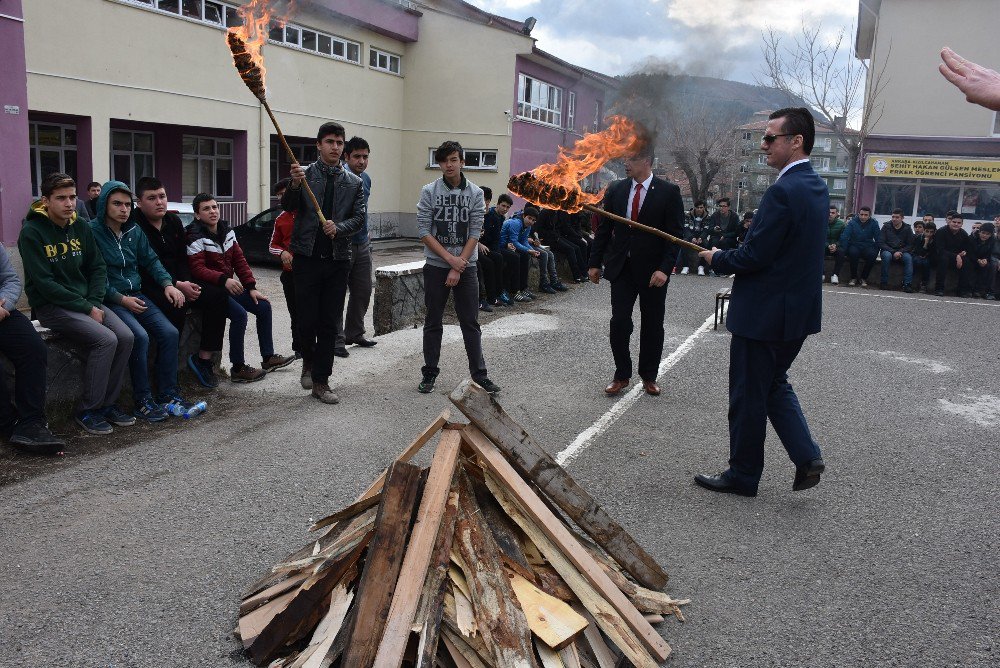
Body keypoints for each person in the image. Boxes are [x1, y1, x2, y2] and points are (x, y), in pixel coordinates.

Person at [694, 107, 827, 497]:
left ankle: (743, 474)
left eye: (771, 138)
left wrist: (716, 258)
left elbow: (755, 256)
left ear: (796, 141)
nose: (764, 146)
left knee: (749, 393)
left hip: (766, 314)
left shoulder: (783, 191)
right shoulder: (815, 186)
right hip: (796, 313)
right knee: (772, 384)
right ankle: (806, 456)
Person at [18, 173, 134, 435]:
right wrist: (87, 307)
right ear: (45, 201)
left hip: (85, 301)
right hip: (52, 306)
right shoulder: (32, 232)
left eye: (72, 197)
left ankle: (108, 404)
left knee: (126, 336)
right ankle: (88, 410)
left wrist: (93, 303)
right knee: (106, 340)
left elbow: (97, 266)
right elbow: (45, 283)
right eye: (61, 198)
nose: (69, 203)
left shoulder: (80, 226)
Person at [90, 181, 200, 422]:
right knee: (139, 337)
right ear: (104, 204)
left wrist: (168, 285)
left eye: (127, 205)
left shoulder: (133, 231)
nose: (123, 209)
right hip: (112, 299)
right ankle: (142, 400)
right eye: (116, 203)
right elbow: (94, 277)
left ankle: (168, 393)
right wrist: (121, 299)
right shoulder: (92, 233)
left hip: (137, 295)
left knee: (170, 333)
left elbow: (151, 261)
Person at [588, 138, 684, 397]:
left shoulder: (668, 192)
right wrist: (595, 263)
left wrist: (665, 268)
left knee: (653, 325)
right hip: (622, 268)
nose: (625, 163)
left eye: (630, 159)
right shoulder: (616, 189)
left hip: (653, 272)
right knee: (619, 322)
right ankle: (621, 374)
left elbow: (675, 236)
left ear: (646, 161)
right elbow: (605, 229)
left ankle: (649, 376)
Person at [283, 122, 366, 403]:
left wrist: (338, 228)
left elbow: (359, 219)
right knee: (306, 319)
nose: (335, 147)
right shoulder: (304, 175)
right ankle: (307, 362)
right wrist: (294, 184)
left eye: (339, 143)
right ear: (318, 145)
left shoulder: (354, 182)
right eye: (330, 141)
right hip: (306, 257)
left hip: (337, 259)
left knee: (330, 321)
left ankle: (322, 380)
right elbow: (288, 207)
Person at [416, 140, 500, 395]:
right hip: (436, 265)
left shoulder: (475, 193)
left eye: (454, 159)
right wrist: (449, 261)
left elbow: (475, 231)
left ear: (462, 162)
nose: (449, 165)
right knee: (433, 321)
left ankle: (480, 375)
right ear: (439, 164)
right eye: (444, 161)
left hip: (466, 267)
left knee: (470, 322)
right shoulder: (429, 191)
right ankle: (429, 373)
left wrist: (458, 264)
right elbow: (423, 231)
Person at [187, 193, 294, 384]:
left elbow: (239, 260)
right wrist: (223, 280)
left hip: (227, 287)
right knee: (239, 315)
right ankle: (238, 367)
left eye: (214, 207)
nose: (212, 211)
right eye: (206, 208)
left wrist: (251, 287)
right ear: (197, 215)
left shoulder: (227, 231)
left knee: (263, 306)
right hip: (212, 291)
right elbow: (197, 269)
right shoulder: (194, 235)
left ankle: (268, 358)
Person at [132, 176, 228, 389]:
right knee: (178, 304)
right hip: (152, 286)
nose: (159, 202)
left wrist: (186, 282)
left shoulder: (173, 222)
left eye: (162, 196)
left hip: (180, 283)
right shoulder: (134, 226)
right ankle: (165, 376)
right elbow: (145, 267)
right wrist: (176, 285)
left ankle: (203, 360)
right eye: (152, 198)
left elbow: (183, 258)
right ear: (139, 202)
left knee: (218, 297)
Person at [0, 244, 65, 454]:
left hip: (1, 311)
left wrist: (6, 303)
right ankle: (8, 423)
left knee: (33, 347)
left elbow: (10, 279)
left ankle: (31, 423)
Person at [335, 136, 377, 353]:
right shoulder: (339, 177)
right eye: (357, 157)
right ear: (346, 157)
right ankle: (337, 340)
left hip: (362, 243)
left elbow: (363, 210)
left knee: (362, 290)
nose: (361, 161)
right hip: (342, 244)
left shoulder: (366, 179)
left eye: (365, 157)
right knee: (337, 293)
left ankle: (355, 332)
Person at [268, 178, 302, 365]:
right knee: (295, 313)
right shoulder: (280, 219)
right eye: (279, 195)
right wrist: (282, 252)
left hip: (310, 273)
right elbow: (272, 245)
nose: (282, 198)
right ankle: (299, 349)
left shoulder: (308, 213)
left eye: (284, 193)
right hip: (289, 274)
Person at [500, 207, 540, 301]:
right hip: (502, 245)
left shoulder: (528, 227)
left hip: (511, 246)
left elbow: (524, 241)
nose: (531, 221)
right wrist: (529, 250)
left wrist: (531, 250)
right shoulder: (516, 223)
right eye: (529, 218)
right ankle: (515, 291)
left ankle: (523, 288)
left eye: (533, 220)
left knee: (525, 255)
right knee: (516, 257)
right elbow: (514, 242)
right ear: (524, 216)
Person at [837, 206, 879, 286]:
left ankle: (864, 278)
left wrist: (876, 249)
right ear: (858, 214)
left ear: (869, 215)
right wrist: (845, 249)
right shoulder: (852, 222)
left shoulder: (874, 223)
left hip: (868, 245)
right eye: (861, 214)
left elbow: (878, 237)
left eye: (866, 215)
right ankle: (853, 277)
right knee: (853, 253)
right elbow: (845, 236)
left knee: (873, 255)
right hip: (854, 244)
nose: (863, 217)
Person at [484, 193, 514, 305]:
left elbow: (497, 238)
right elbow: (487, 237)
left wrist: (506, 245)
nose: (505, 209)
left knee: (515, 257)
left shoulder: (501, 217)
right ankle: (498, 292)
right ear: (497, 204)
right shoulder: (490, 215)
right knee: (499, 259)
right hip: (485, 247)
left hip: (495, 246)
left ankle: (509, 290)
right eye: (503, 206)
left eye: (507, 207)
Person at [933, 213, 971, 297]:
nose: (956, 224)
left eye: (959, 223)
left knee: (967, 261)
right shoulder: (941, 231)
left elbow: (967, 248)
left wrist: (964, 252)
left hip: (956, 258)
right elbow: (940, 250)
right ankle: (939, 289)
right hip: (940, 256)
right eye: (954, 222)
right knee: (944, 259)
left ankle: (962, 290)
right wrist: (956, 256)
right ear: (950, 222)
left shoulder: (964, 234)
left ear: (962, 224)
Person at [878, 208, 915, 291]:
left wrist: (900, 251)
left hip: (902, 251)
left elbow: (910, 245)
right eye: (893, 217)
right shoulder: (886, 226)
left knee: (908, 258)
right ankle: (883, 283)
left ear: (902, 218)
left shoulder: (907, 228)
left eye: (897, 217)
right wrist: (894, 252)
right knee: (886, 256)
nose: (894, 219)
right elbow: (881, 242)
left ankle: (907, 284)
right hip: (888, 250)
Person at [968, 222, 997, 299]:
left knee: (987, 267)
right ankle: (968, 290)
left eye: (987, 234)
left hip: (983, 259)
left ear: (991, 235)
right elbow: (969, 252)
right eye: (983, 233)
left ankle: (978, 290)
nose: (984, 235)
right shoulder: (972, 237)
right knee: (970, 266)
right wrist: (977, 260)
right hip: (972, 258)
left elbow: (990, 252)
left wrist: (985, 259)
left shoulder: (992, 240)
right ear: (979, 231)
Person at [679, 201, 709, 275]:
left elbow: (706, 229)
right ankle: (685, 266)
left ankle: (701, 266)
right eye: (697, 207)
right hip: (690, 236)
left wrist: (701, 238)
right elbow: (685, 228)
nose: (699, 209)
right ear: (695, 207)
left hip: (701, 236)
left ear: (704, 208)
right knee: (684, 242)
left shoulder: (707, 216)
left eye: (701, 207)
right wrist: (691, 237)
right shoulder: (688, 215)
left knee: (706, 243)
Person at [910, 218, 936, 293]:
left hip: (929, 257)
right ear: (924, 230)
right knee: (916, 261)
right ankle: (911, 283)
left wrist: (927, 252)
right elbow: (918, 252)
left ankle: (924, 284)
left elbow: (933, 251)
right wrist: (925, 244)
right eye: (927, 231)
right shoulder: (919, 237)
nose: (929, 234)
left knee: (926, 263)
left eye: (931, 232)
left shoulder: (935, 239)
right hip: (917, 255)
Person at [825, 205, 845, 283]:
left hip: (836, 246)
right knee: (818, 250)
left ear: (837, 214)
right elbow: (819, 237)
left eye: (833, 213)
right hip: (824, 246)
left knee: (841, 252)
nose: (830, 214)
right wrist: (827, 245)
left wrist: (835, 245)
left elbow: (843, 238)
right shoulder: (821, 222)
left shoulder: (842, 224)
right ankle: (821, 274)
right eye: (828, 212)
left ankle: (835, 275)